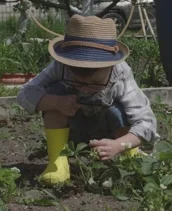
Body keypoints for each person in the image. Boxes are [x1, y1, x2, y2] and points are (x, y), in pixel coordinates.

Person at [16, 14, 159, 186]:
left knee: (118, 110)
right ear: (66, 63)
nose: (85, 88)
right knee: (54, 94)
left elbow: (146, 122)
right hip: (72, 133)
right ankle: (58, 163)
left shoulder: (120, 75)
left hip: (110, 135)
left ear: (111, 65)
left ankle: (131, 155)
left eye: (95, 84)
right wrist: (55, 102)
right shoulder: (60, 67)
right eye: (77, 82)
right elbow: (25, 93)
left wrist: (119, 144)